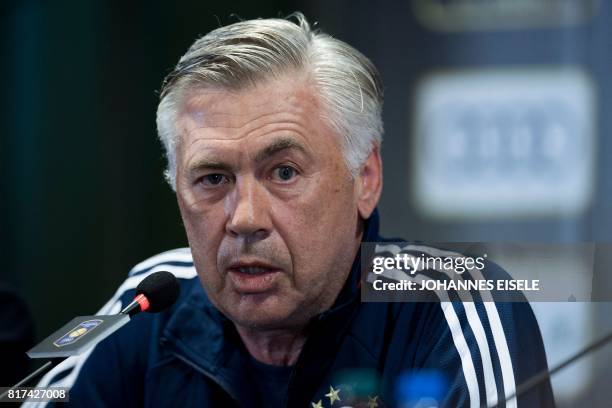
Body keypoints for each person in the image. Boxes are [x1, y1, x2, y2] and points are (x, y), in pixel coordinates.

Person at [33, 13, 554, 408]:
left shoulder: (459, 305)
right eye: (213, 178)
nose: (244, 218)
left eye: (283, 172)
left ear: (364, 178)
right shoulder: (149, 298)